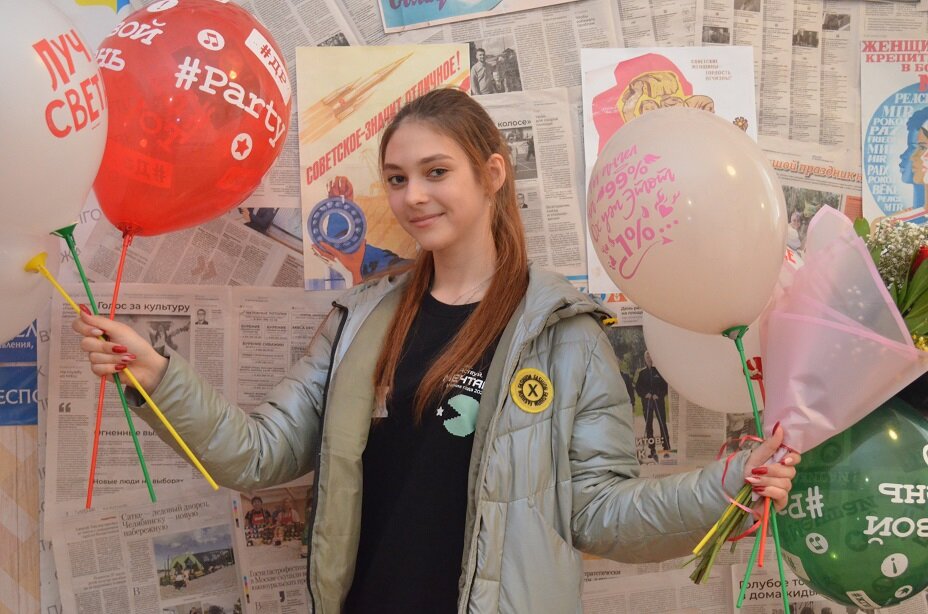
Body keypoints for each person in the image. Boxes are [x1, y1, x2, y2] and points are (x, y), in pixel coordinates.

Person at [73, 88, 799, 614]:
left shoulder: (567, 337)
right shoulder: (360, 321)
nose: (413, 196)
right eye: (397, 179)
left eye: (436, 172)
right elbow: (258, 456)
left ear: (492, 174)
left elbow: (600, 513)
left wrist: (727, 485)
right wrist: (156, 375)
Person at [635, 350, 671, 462]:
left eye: (650, 355)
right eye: (647, 356)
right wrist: (645, 394)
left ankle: (666, 449)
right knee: (648, 426)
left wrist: (658, 395)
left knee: (662, 424)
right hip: (647, 403)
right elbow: (638, 388)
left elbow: (665, 387)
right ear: (645, 359)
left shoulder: (659, 371)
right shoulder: (642, 373)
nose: (649, 358)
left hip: (658, 401)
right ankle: (652, 450)